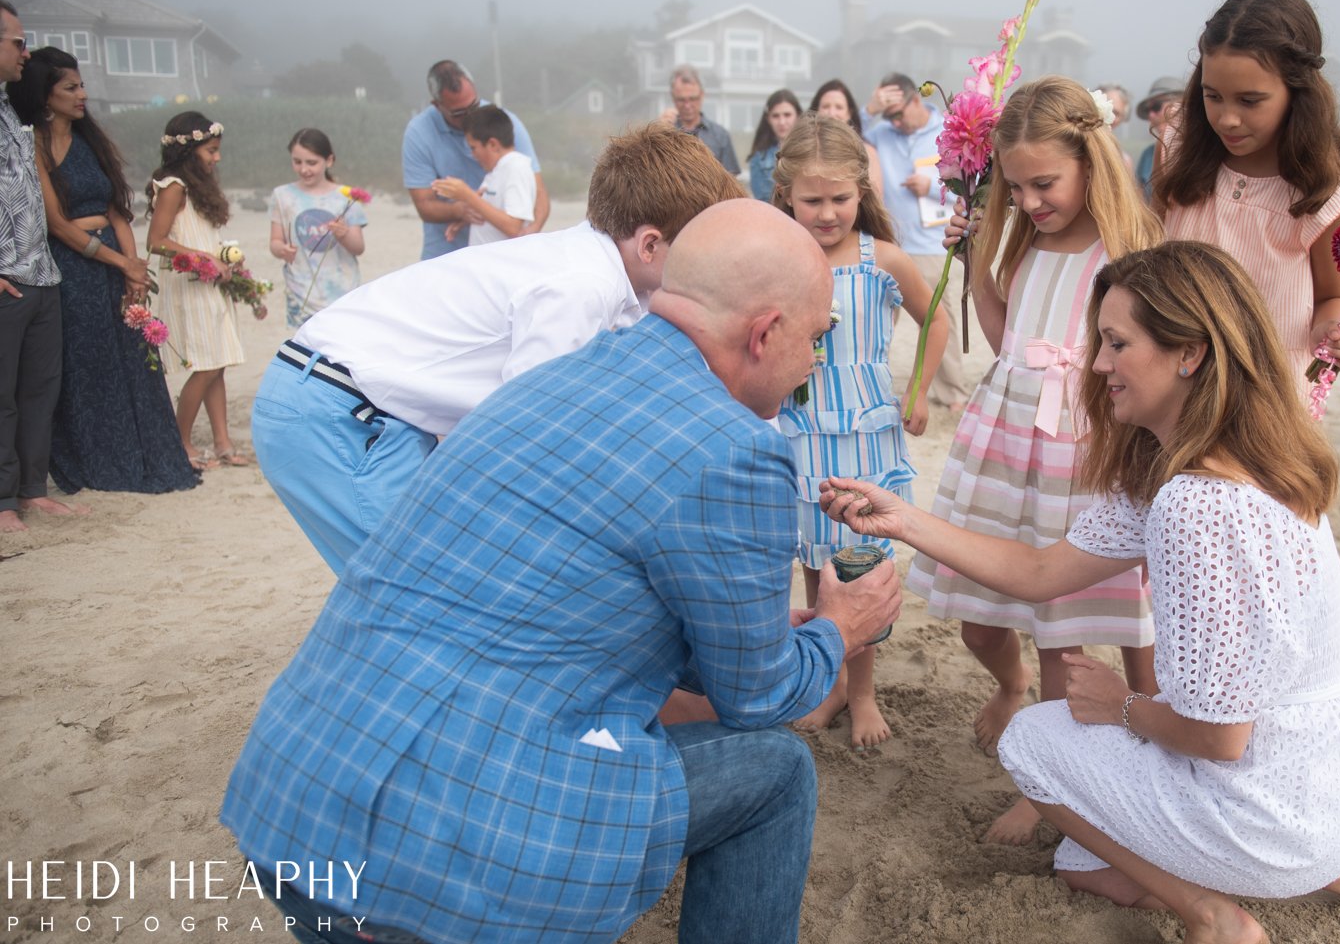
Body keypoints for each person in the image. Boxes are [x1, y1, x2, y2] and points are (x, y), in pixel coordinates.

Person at [221, 198, 903, 944]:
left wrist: (756, 633)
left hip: (296, 812)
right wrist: (841, 628)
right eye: (815, 338)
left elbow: (577, 593)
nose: (813, 359)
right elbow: (760, 693)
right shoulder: (738, 447)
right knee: (775, 773)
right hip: (446, 880)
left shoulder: (542, 380)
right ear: (765, 332)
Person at [823, 240, 1340, 944]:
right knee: (1083, 865)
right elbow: (1042, 572)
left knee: (1035, 740)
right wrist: (906, 520)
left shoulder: (1196, 504)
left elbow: (1221, 739)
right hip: (1337, 787)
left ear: (1189, 352)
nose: (1097, 365)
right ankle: (1254, 872)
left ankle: (1214, 917)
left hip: (1275, 812)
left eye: (1115, 343)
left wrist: (1121, 704)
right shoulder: (1256, 451)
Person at [253, 123, 745, 573]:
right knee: (417, 591)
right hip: (335, 407)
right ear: (651, 245)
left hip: (358, 401)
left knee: (438, 584)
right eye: (698, 250)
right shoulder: (581, 286)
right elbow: (529, 434)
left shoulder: (593, 263)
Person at [909, 77, 1161, 843]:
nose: (1028, 199)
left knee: (1095, 618)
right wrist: (980, 255)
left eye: (1042, 183)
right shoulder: (1025, 237)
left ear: (1091, 157)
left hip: (1085, 442)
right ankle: (1031, 730)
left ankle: (1082, 775)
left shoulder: (1126, 247)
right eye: (1013, 186)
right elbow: (1005, 333)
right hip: (1008, 435)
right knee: (1011, 617)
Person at [772, 113, 948, 748]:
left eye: (840, 199)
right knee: (810, 561)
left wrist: (919, 387)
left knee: (858, 559)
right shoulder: (779, 255)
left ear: (862, 193)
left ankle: (864, 691)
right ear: (786, 194)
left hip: (866, 431)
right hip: (798, 427)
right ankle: (830, 684)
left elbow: (938, 321)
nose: (826, 214)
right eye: (812, 200)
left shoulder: (884, 261)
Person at [1153, 0, 1340, 384]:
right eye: (1213, 96)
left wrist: (1332, 332)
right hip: (1172, 377)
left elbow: (1332, 295)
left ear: (1297, 92)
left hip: (1266, 391)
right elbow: (1145, 248)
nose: (1227, 118)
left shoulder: (1324, 188)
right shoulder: (1178, 147)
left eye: (1250, 101)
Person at [7, 47, 197, 496]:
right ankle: (98, 464)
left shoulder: (92, 141)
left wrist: (134, 271)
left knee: (132, 363)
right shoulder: (30, 143)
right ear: (45, 93)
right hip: (71, 267)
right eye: (71, 87)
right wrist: (121, 263)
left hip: (114, 257)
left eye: (82, 85)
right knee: (87, 365)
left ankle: (148, 458)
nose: (82, 94)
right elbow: (55, 223)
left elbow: (117, 211)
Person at [0, 1, 84, 533]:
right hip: (6, 280)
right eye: (16, 42)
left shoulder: (11, 109)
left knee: (38, 391)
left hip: (42, 275)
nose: (25, 53)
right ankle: (3, 501)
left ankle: (32, 490)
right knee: (1, 396)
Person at [145, 111, 248, 472]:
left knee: (216, 365)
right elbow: (156, 241)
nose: (216, 158)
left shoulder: (200, 187)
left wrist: (223, 257)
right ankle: (181, 441)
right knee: (204, 366)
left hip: (211, 283)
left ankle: (222, 442)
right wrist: (203, 257)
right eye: (211, 151)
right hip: (189, 284)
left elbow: (203, 236)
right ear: (188, 151)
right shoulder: (173, 186)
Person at [863, 73, 970, 409]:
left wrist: (933, 188)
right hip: (889, 241)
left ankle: (951, 391)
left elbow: (971, 190)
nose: (895, 121)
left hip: (930, 244)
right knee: (875, 317)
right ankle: (869, 383)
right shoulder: (879, 132)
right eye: (888, 115)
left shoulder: (947, 131)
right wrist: (869, 110)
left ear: (915, 100)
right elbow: (847, 142)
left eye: (898, 113)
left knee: (939, 317)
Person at [402, 60, 549, 260]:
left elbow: (538, 190)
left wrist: (533, 229)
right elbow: (424, 205)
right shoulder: (418, 133)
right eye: (459, 113)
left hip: (501, 257)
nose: (471, 115)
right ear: (437, 105)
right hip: (444, 253)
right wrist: (460, 211)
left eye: (474, 105)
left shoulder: (502, 122)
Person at [270, 128, 367, 329]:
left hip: (343, 294)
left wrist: (344, 234)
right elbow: (275, 242)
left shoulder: (348, 196)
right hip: (300, 294)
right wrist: (281, 250)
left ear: (329, 160)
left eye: (311, 162)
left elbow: (358, 247)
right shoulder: (282, 196)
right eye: (297, 162)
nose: (304, 169)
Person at [431, 105, 536, 245]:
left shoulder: (516, 168)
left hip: (501, 264)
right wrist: (465, 219)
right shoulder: (496, 171)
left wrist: (468, 196)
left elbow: (513, 227)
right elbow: (491, 211)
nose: (473, 155)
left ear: (493, 144)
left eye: (473, 148)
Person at [660, 64, 740, 176]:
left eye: (693, 99)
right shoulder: (663, 132)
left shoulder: (720, 135)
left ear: (702, 95)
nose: (687, 105)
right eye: (681, 100)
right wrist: (660, 133)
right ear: (673, 97)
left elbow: (732, 180)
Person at [812, 79, 883, 201]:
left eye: (839, 107)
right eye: (825, 106)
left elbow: (875, 199)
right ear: (816, 111)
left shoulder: (867, 152)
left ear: (849, 113)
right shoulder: (805, 150)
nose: (831, 113)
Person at [1133, 76, 1183, 200]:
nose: (1150, 115)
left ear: (1180, 105)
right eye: (1148, 110)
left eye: (1156, 107)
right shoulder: (1147, 154)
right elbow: (1140, 201)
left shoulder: (1199, 151)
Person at [747, 89, 801, 202]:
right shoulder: (758, 158)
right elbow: (762, 200)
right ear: (768, 119)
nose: (782, 122)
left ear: (798, 115)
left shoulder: (812, 149)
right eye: (776, 116)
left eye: (787, 115)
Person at [1092, 82, 1133, 172]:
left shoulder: (1124, 161)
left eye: (1115, 113)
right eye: (1104, 108)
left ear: (1123, 118)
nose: (1108, 115)